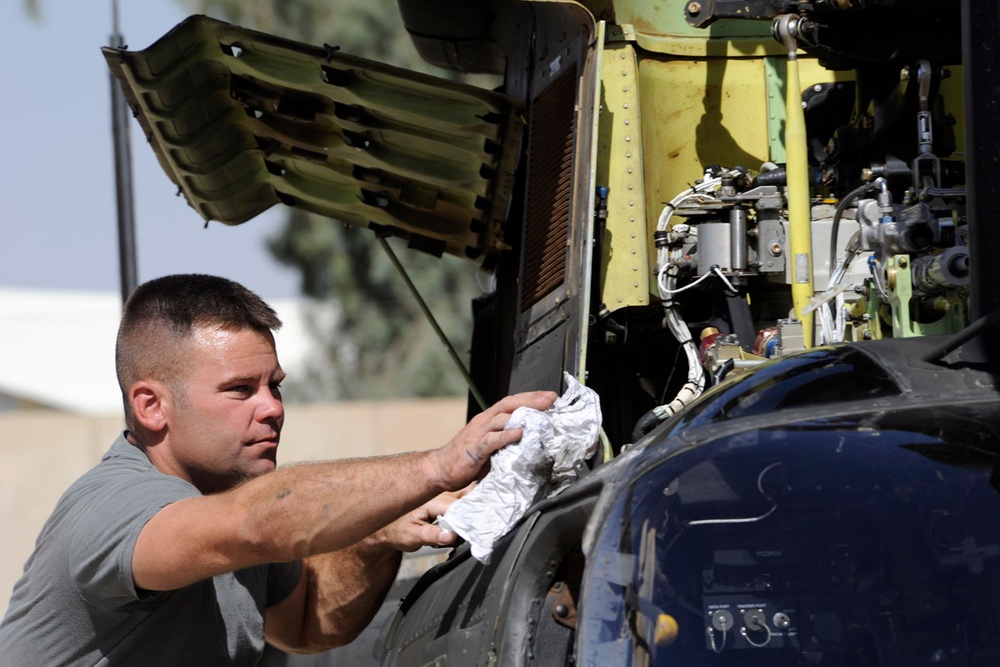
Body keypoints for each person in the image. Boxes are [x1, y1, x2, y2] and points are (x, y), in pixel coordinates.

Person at [0, 273, 556, 665]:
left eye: (275, 386)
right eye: (240, 390)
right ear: (151, 407)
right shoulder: (114, 506)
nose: (271, 408)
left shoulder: (225, 502)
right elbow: (257, 522)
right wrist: (437, 465)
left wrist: (378, 536)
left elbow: (308, 622)